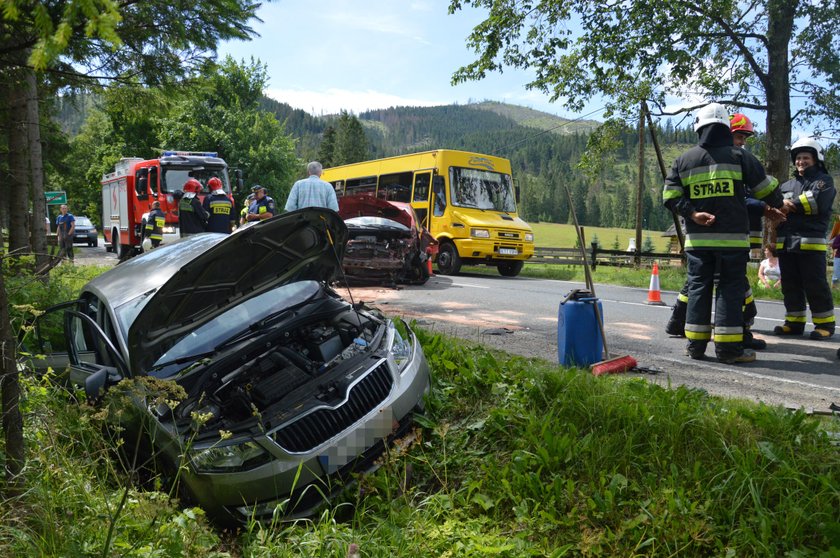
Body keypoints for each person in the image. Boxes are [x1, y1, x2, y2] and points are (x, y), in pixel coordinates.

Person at [662, 103, 784, 364]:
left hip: (697, 240)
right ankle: (729, 351)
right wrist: (774, 191)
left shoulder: (684, 160)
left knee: (698, 288)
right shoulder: (740, 156)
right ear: (726, 128)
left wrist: (693, 214)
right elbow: (767, 191)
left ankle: (695, 347)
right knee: (730, 289)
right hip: (732, 240)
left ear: (699, 127)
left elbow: (670, 197)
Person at [773, 138, 836, 339]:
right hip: (786, 243)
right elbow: (776, 209)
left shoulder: (824, 181)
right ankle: (794, 322)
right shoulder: (786, 184)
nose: (801, 161)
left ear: (816, 159)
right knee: (790, 285)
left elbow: (817, 203)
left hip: (810, 244)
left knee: (815, 284)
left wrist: (787, 205)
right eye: (798, 158)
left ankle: (824, 324)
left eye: (806, 157)